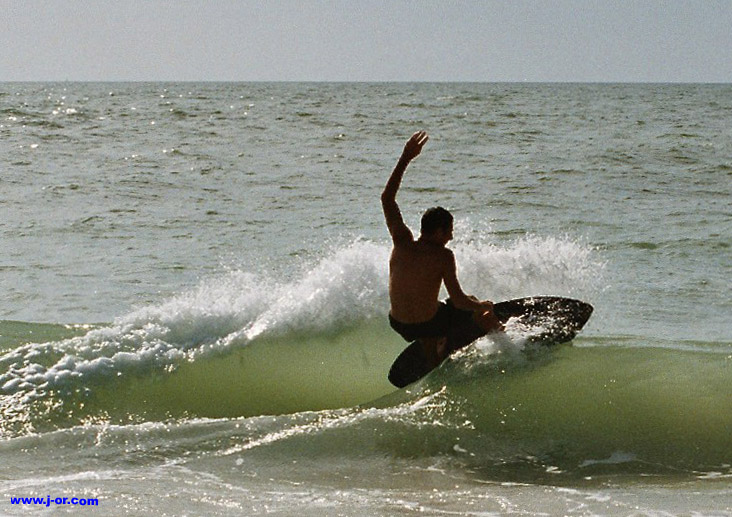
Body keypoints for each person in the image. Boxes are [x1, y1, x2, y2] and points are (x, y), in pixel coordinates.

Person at [381, 131, 502, 368]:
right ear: (438, 232)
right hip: (427, 323)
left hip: (398, 324)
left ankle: (434, 356)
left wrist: (406, 158)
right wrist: (483, 306)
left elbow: (387, 199)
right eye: (449, 231)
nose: (451, 236)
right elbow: (458, 300)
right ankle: (508, 345)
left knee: (433, 320)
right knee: (474, 306)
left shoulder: (401, 241)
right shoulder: (443, 256)